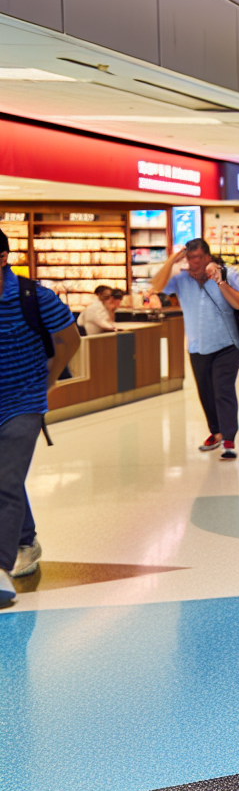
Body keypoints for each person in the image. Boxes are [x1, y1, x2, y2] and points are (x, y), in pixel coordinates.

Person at [0, 229, 81, 601]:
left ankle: (1, 571)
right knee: (7, 478)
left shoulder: (36, 297)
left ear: (3, 259)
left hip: (24, 401)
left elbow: (70, 339)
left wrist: (47, 380)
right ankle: (26, 540)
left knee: (4, 482)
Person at [152, 238, 239, 460]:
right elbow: (156, 287)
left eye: (197, 257)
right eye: (189, 257)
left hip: (227, 344)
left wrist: (220, 282)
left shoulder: (228, 273)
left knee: (223, 389)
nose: (193, 262)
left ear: (207, 256)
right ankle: (216, 432)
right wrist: (171, 260)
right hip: (197, 345)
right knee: (206, 392)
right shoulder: (181, 280)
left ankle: (229, 438)